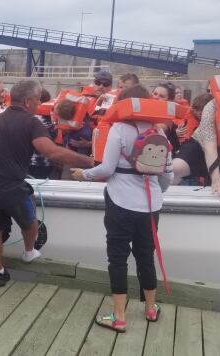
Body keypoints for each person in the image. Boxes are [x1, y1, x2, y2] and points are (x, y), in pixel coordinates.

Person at [70, 84, 174, 333]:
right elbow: (167, 176)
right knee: (145, 255)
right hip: (150, 206)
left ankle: (119, 317)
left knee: (117, 258)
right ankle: (150, 309)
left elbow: (106, 169)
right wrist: (156, 192)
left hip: (120, 201)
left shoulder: (118, 129)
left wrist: (82, 174)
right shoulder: (159, 132)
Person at [0, 80, 95, 287]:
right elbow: (52, 152)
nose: (39, 103)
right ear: (28, 101)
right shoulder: (31, 122)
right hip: (8, 184)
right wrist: (90, 161)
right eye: (38, 99)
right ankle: (29, 252)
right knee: (29, 222)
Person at [151, 82, 181, 154]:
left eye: (161, 96)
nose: (156, 97)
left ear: (169, 101)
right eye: (155, 94)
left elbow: (153, 132)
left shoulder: (167, 118)